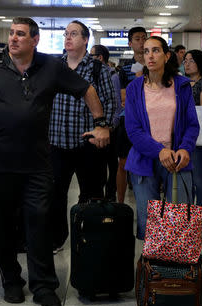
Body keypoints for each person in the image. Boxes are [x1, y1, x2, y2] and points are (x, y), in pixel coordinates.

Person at [0, 17, 108, 306]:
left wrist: (101, 123)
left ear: (35, 40)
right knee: (1, 227)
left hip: (38, 164)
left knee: (39, 224)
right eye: (11, 33)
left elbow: (86, 90)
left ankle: (43, 286)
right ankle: (11, 281)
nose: (13, 39)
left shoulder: (50, 67)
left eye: (21, 34)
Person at [49, 20, 115, 253]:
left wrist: (104, 128)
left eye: (74, 34)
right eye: (66, 34)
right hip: (56, 143)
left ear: (86, 40)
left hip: (88, 144)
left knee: (91, 195)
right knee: (55, 195)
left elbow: (110, 103)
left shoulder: (99, 70)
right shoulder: (54, 67)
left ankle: (88, 237)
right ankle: (56, 239)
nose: (68, 38)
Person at [125, 36, 199, 240]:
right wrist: (159, 151)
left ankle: (175, 270)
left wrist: (185, 148)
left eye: (156, 50)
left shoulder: (182, 86)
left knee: (179, 221)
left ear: (167, 56)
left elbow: (192, 124)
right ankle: (152, 269)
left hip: (177, 159)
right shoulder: (134, 88)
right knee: (150, 224)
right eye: (146, 51)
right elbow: (133, 130)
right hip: (145, 159)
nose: (150, 56)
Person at [117, 26, 147, 203]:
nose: (142, 41)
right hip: (128, 119)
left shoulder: (155, 66)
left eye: (144, 37)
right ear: (130, 43)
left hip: (151, 121)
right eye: (137, 38)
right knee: (123, 163)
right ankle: (120, 204)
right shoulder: (125, 69)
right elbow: (124, 97)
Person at [183, 49, 202, 217]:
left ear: (200, 63)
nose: (187, 64)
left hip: (198, 137)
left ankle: (200, 216)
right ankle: (188, 213)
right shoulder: (183, 83)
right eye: (185, 61)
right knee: (187, 179)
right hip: (183, 137)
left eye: (191, 61)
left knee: (199, 179)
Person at [91, 44, 121, 201]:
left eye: (92, 55)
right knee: (99, 167)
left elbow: (116, 105)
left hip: (109, 129)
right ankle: (98, 198)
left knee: (112, 165)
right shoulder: (91, 74)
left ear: (100, 57)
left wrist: (110, 127)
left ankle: (110, 198)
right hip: (96, 128)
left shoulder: (112, 75)